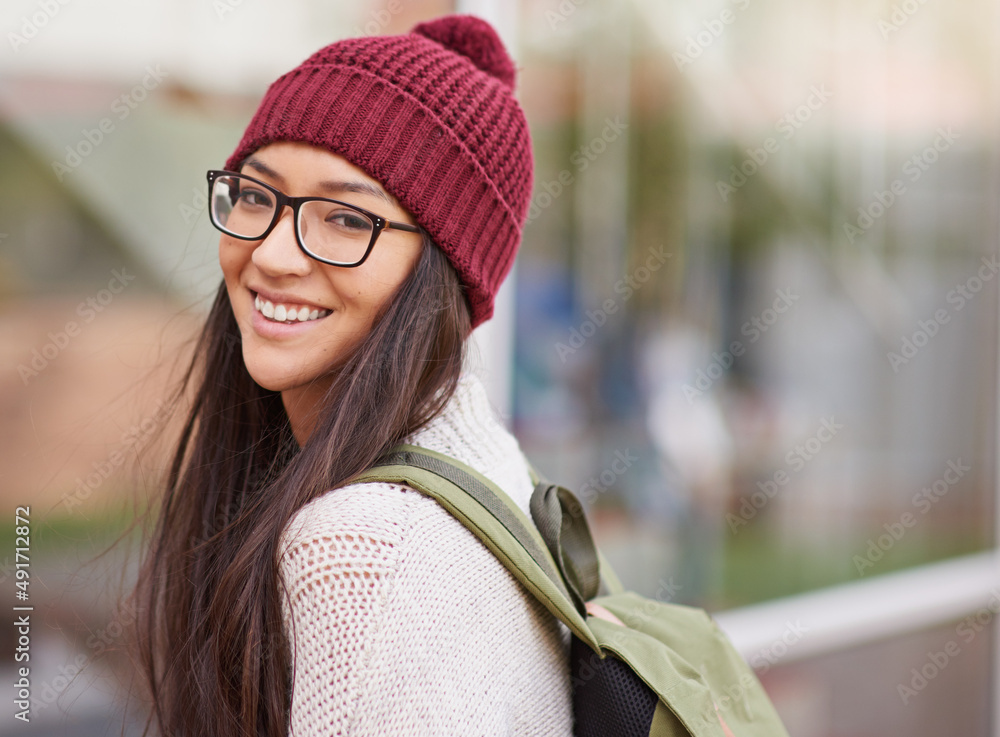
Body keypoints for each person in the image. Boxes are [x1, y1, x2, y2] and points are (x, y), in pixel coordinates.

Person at [128, 13, 574, 737]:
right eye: (255, 195)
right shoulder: (490, 466)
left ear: (443, 273)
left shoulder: (363, 547)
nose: (272, 254)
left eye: (342, 218)